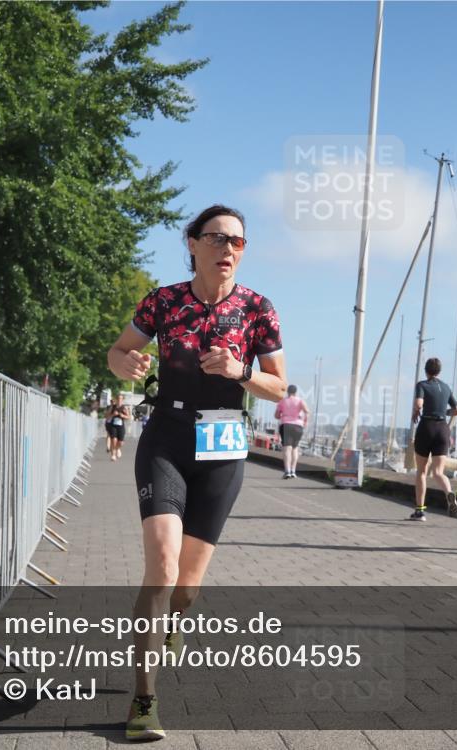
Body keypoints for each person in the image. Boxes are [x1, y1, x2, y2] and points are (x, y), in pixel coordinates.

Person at [107, 204, 286, 741]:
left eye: (237, 241)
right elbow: (119, 351)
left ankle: (176, 619)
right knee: (160, 567)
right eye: (216, 238)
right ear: (192, 244)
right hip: (167, 434)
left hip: (225, 442)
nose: (227, 249)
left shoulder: (258, 309)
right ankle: (144, 699)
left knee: (186, 586)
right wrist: (128, 364)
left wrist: (241, 371)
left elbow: (279, 386)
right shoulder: (163, 301)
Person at [410, 357, 457, 520]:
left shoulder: (422, 385)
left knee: (422, 471)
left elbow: (419, 404)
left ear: (426, 370)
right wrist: (443, 412)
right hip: (442, 429)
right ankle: (449, 493)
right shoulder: (446, 387)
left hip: (427, 427)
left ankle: (420, 511)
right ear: (439, 371)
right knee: (438, 472)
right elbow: (456, 410)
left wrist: (416, 411)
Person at [275, 384, 309, 478]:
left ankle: (287, 471)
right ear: (296, 392)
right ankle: (293, 471)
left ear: (288, 391)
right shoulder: (300, 401)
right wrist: (305, 422)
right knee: (295, 448)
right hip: (298, 426)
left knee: (287, 448)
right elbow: (307, 411)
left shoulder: (282, 401)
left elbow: (277, 415)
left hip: (286, 425)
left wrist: (282, 415)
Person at [105, 393, 132, 461]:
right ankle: (113, 455)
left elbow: (128, 417)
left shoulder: (124, 408)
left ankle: (118, 449)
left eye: (121, 399)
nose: (119, 400)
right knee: (113, 440)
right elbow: (107, 417)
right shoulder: (113, 407)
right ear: (116, 399)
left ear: (122, 400)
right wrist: (113, 414)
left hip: (121, 426)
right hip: (113, 425)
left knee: (121, 442)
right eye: (118, 398)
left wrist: (123, 416)